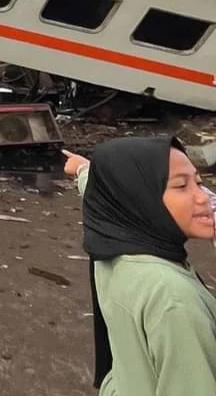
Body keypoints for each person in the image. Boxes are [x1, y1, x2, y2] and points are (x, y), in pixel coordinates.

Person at [63, 140, 216, 395]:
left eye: (199, 183)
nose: (204, 198)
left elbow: (106, 188)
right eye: (181, 185)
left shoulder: (111, 241)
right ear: (141, 198)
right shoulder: (174, 300)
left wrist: (83, 170)